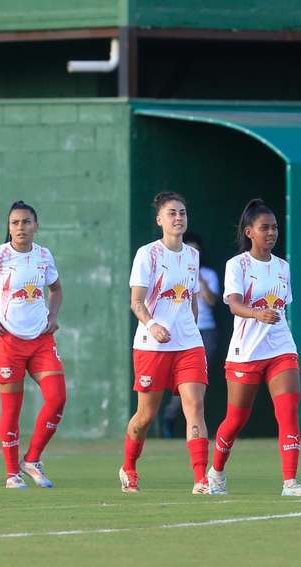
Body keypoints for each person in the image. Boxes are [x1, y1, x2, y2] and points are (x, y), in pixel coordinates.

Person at [205, 199, 301, 497]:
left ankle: (290, 481)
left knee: (289, 411)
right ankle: (216, 473)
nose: (271, 233)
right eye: (264, 227)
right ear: (249, 231)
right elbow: (235, 304)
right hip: (246, 352)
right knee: (236, 418)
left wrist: (271, 319)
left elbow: (282, 308)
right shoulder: (236, 265)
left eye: (275, 227)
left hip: (280, 347)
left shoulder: (282, 267)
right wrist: (256, 313)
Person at [0, 201, 67, 490]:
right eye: (15, 223)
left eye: (26, 222)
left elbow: (55, 288)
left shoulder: (44, 256)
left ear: (36, 225)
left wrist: (53, 315)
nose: (21, 227)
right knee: (12, 408)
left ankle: (32, 459)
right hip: (7, 341)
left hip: (42, 340)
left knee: (57, 398)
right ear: (9, 227)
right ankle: (11, 473)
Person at [120, 191, 210, 494]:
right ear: (160, 219)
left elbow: (193, 300)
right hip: (151, 346)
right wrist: (154, 324)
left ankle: (201, 479)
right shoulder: (148, 254)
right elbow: (136, 302)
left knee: (194, 406)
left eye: (182, 212)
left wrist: (190, 330)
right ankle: (129, 467)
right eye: (172, 213)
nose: (178, 218)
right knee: (146, 415)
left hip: (188, 345)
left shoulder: (193, 256)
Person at [157, 232, 219, 438]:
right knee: (176, 382)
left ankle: (193, 425)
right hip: (176, 333)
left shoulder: (208, 274)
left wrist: (198, 277)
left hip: (204, 332)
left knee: (196, 381)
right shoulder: (173, 271)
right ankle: (169, 417)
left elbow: (211, 301)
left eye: (197, 251)